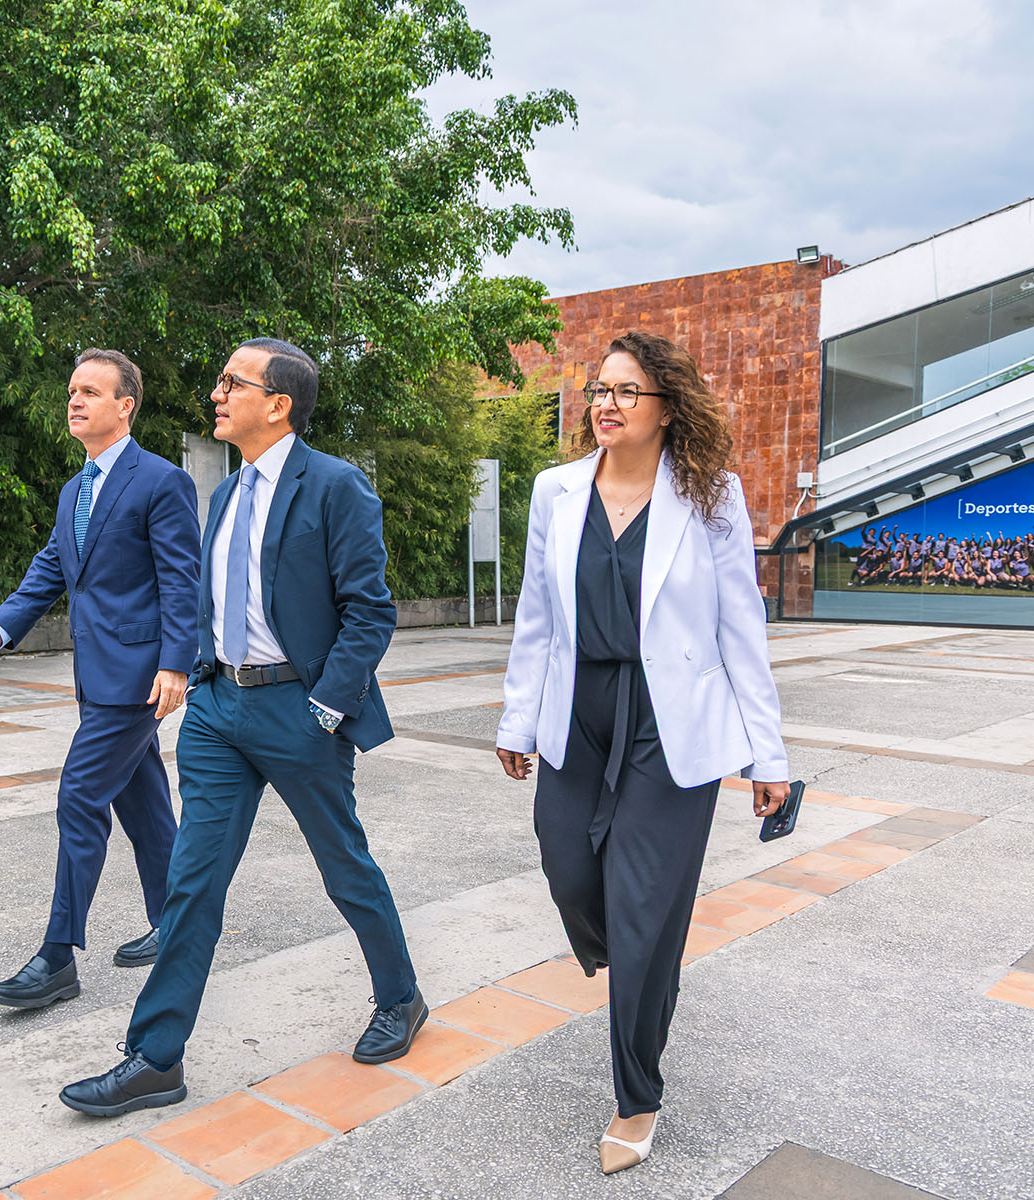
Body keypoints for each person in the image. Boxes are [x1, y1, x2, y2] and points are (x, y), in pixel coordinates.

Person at [58, 337, 423, 1117]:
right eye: (220, 379)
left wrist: (326, 707)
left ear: (279, 403)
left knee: (344, 868)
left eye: (232, 381)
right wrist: (196, 670)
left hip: (300, 711)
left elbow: (370, 610)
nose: (216, 393)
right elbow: (203, 597)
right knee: (192, 886)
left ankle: (401, 996)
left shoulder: (336, 487)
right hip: (220, 713)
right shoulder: (220, 495)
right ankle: (156, 1058)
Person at [494, 331, 789, 1176]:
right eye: (600, 389)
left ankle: (636, 1096)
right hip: (577, 711)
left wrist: (767, 757)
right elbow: (537, 616)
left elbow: (742, 627)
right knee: (569, 871)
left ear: (668, 408)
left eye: (628, 392)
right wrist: (519, 721)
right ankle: (637, 958)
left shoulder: (710, 495)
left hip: (673, 723)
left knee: (645, 909)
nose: (607, 404)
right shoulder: (556, 491)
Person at [0, 349, 199, 1009]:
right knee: (145, 807)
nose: (75, 400)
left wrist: (178, 662)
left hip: (138, 682)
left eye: (91, 391)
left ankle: (58, 957)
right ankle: (177, 922)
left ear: (125, 406)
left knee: (79, 799)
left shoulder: (160, 481)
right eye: (72, 390)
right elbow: (51, 567)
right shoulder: (76, 489)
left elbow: (184, 579)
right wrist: (1, 628)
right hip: (96, 677)